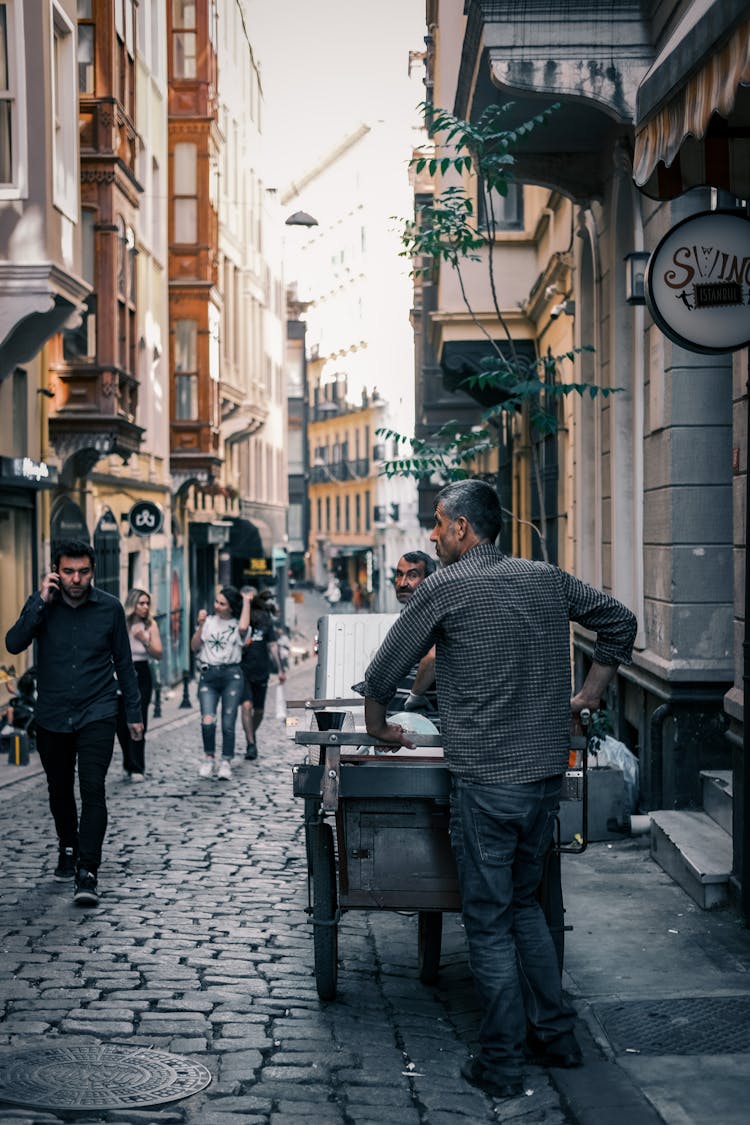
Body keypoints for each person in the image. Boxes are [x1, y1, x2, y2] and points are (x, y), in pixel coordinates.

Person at [360, 480, 637, 1099]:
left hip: (486, 783)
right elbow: (619, 622)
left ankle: (502, 1062)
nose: (432, 535)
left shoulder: (444, 586)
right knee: (524, 908)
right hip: (542, 779)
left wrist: (380, 728)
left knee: (486, 921)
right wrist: (590, 695)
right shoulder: (546, 579)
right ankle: (558, 1039)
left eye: (438, 524)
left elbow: (385, 669)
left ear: (463, 529)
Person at [5, 540, 144, 908]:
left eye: (83, 572)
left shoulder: (110, 608)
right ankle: (67, 845)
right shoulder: (42, 607)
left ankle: (87, 870)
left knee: (93, 788)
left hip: (98, 710)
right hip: (52, 714)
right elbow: (13, 643)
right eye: (68, 572)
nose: (76, 579)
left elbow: (124, 664)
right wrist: (38, 602)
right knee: (59, 789)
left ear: (92, 571)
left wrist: (134, 714)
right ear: (56, 571)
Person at [191, 585, 252, 780]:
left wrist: (247, 602)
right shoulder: (208, 622)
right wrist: (200, 625)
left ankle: (226, 761)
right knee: (207, 719)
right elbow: (194, 646)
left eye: (221, 603)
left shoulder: (237, 625)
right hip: (208, 675)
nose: (216, 605)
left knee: (228, 721)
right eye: (216, 601)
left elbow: (243, 628)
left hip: (231, 676)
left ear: (231, 607)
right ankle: (209, 758)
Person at [115, 588, 162, 782]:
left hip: (142, 674)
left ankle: (137, 767)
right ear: (132, 604)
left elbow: (158, 653)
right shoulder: (121, 624)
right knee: (120, 722)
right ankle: (128, 761)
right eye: (141, 603)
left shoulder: (150, 624)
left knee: (139, 719)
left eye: (147, 603)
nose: (145, 607)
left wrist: (144, 640)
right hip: (120, 674)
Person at [239, 587, 286, 760]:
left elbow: (273, 644)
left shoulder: (265, 619)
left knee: (258, 711)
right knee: (246, 706)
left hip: (261, 669)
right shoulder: (240, 617)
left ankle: (250, 734)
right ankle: (251, 744)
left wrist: (280, 669)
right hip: (242, 669)